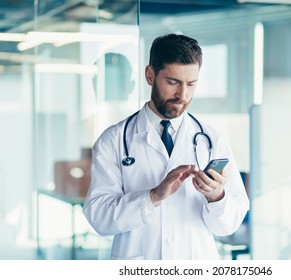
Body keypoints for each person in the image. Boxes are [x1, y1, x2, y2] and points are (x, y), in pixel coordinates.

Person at [83, 33, 250, 260]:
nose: (182, 94)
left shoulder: (212, 140)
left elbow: (228, 225)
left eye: (191, 84)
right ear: (150, 75)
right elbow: (99, 217)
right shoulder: (113, 140)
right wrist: (153, 196)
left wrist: (217, 196)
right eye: (173, 82)